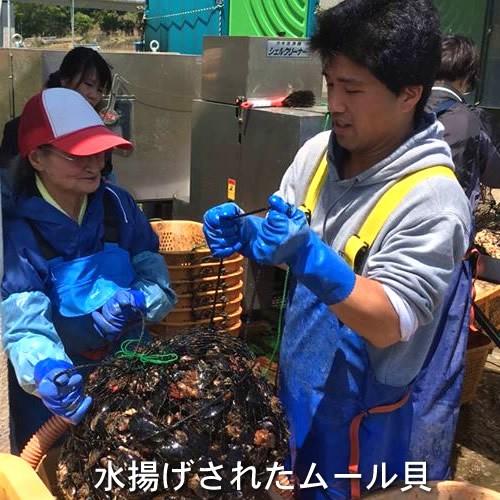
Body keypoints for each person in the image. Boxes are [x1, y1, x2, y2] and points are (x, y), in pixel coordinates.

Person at [203, 1, 472, 498]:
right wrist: (249, 234)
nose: (335, 103)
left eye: (353, 89)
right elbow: (281, 230)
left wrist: (308, 256)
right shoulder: (317, 155)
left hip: (362, 420)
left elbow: (391, 319)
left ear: (410, 93)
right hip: (298, 388)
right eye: (330, 82)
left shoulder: (432, 201)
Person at [1, 88, 176, 451]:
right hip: (57, 399)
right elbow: (24, 325)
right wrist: (47, 370)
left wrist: (138, 301)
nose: (95, 164)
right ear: (36, 158)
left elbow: (159, 284)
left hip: (130, 375)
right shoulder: (17, 228)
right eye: (78, 155)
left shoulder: (119, 207)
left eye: (100, 151)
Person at [0, 47, 114, 175]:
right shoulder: (21, 129)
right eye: (88, 84)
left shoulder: (98, 131)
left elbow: (106, 176)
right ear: (65, 79)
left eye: (100, 90)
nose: (94, 95)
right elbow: (7, 183)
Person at [427, 35, 500, 204]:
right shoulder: (472, 119)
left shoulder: (403, 107)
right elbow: (495, 175)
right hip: (449, 219)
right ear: (467, 78)